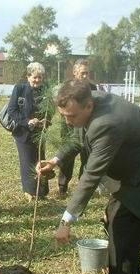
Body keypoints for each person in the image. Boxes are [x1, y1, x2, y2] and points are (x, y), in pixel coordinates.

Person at [38, 80, 140, 274]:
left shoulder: (107, 124)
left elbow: (91, 175)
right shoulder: (90, 100)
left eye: (71, 116)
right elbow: (79, 135)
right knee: (114, 215)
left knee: (123, 224)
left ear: (88, 106)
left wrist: (67, 220)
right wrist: (56, 160)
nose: (68, 121)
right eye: (64, 116)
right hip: (138, 169)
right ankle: (134, 272)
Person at [7, 62, 51, 202]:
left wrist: (46, 120)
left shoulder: (46, 90)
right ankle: (30, 192)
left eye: (40, 77)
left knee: (40, 160)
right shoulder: (19, 89)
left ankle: (42, 192)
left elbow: (51, 109)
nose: (37, 80)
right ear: (28, 76)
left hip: (40, 132)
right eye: (34, 77)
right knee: (27, 162)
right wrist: (27, 121)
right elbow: (12, 110)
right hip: (23, 133)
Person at [57, 59, 96, 197]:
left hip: (87, 130)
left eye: (87, 73)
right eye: (82, 73)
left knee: (87, 158)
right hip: (69, 127)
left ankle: (82, 187)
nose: (85, 76)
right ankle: (63, 187)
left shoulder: (93, 88)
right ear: (74, 73)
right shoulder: (67, 87)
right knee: (67, 157)